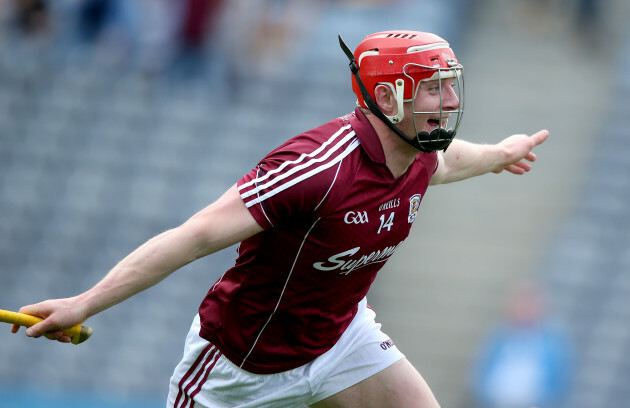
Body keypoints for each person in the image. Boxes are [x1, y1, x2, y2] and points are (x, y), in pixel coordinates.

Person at [11, 30, 549, 408]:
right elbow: (194, 236)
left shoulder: (419, 154)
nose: (450, 100)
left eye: (451, 84)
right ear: (387, 96)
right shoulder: (316, 168)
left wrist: (500, 155)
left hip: (341, 342)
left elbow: (451, 161)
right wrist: (83, 303)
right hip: (240, 367)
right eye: (435, 87)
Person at [470, 280, 574, 408]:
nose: (525, 307)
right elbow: (481, 374)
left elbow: (559, 383)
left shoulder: (553, 342)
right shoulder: (498, 337)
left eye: (531, 303)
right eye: (521, 302)